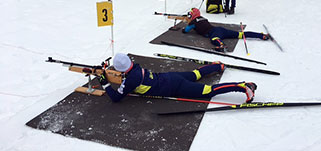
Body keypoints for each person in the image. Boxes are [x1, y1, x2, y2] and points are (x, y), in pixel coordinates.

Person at [98, 53, 257, 103]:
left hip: (175, 87)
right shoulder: (136, 66)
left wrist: (105, 84)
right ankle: (217, 66)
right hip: (170, 77)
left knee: (208, 91)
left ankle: (243, 86)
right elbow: (125, 73)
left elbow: (116, 97)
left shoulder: (130, 80)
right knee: (196, 74)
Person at [182, 8, 269, 52]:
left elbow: (186, 30)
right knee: (240, 34)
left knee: (214, 39)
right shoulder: (203, 18)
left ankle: (222, 45)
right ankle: (261, 35)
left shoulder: (193, 22)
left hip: (214, 32)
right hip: (220, 29)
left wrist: (184, 29)